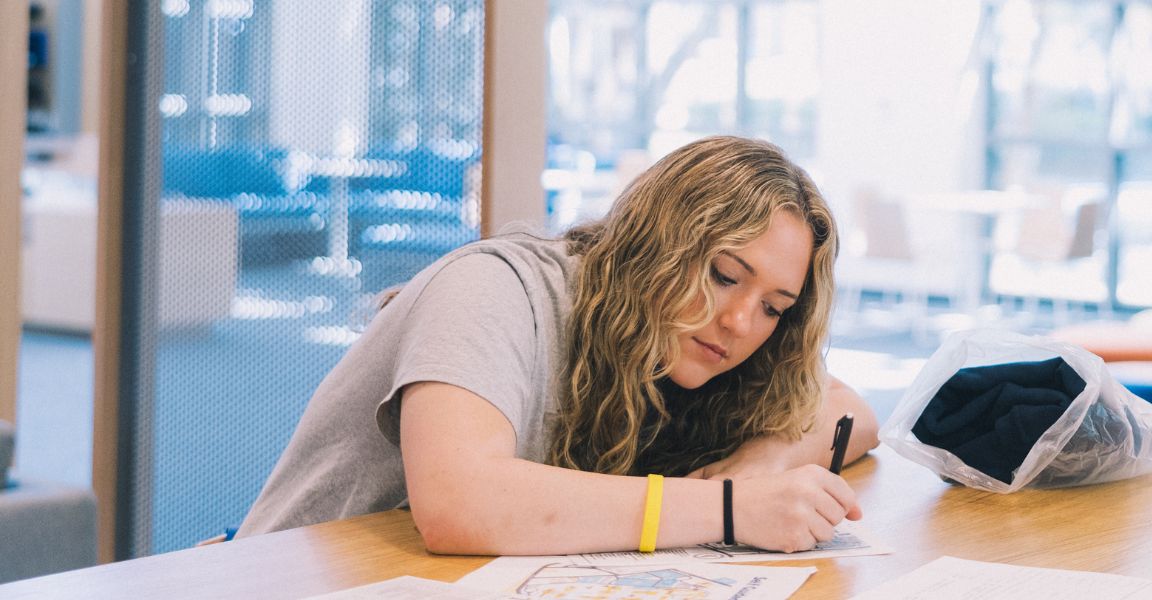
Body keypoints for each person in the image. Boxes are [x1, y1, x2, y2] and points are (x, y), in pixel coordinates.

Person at [240, 136, 880, 556]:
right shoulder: (493, 287)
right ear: (658, 242)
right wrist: (731, 507)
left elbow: (849, 413)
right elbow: (460, 503)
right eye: (723, 275)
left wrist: (764, 460)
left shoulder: (694, 350)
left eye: (774, 307)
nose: (742, 322)